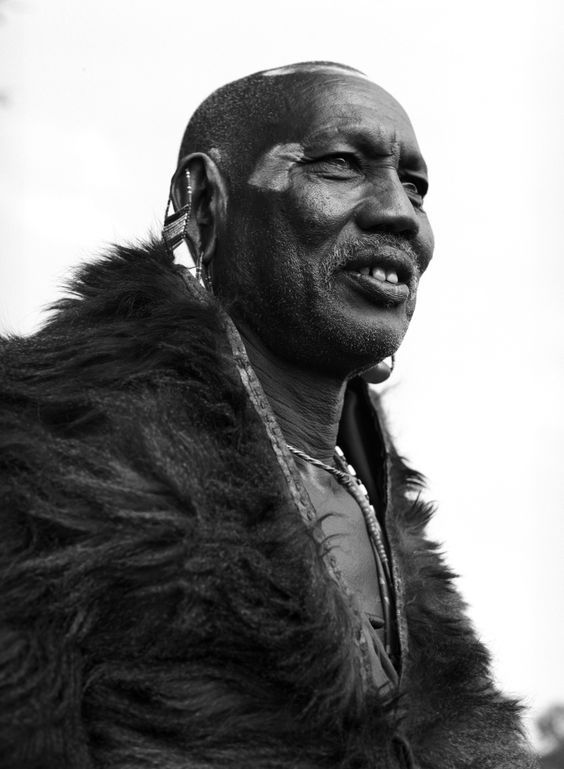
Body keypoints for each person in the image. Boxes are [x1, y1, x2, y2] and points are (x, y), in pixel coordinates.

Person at [0, 62, 537, 768]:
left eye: (415, 186)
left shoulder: (382, 509)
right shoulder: (44, 456)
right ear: (205, 206)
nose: (401, 213)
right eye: (341, 163)